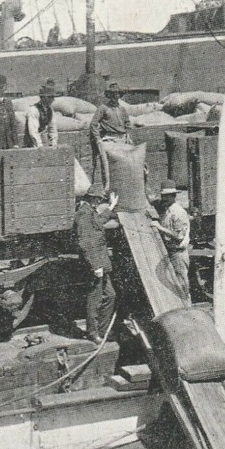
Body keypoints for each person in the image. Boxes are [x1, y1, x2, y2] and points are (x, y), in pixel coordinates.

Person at [73, 184, 119, 342]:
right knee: (95, 299)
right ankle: (93, 332)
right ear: (92, 199)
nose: (99, 203)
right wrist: (96, 267)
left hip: (100, 263)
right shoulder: (83, 215)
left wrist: (111, 206)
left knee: (110, 295)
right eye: (98, 200)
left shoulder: (89, 212)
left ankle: (103, 330)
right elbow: (85, 243)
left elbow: (98, 222)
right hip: (95, 265)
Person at [151, 180, 191, 301]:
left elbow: (179, 236)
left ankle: (186, 307)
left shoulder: (178, 212)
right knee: (173, 285)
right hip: (169, 252)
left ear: (173, 196)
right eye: (163, 196)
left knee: (181, 283)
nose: (164, 199)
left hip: (178, 253)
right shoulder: (166, 210)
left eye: (167, 196)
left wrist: (159, 227)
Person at [88, 82, 132, 190]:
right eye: (112, 94)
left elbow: (127, 123)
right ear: (109, 96)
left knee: (124, 166)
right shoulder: (103, 108)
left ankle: (123, 190)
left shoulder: (122, 109)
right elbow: (93, 124)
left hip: (122, 140)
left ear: (119, 96)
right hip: (109, 140)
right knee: (108, 167)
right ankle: (107, 190)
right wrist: (98, 139)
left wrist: (128, 135)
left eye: (116, 94)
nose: (114, 97)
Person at [25, 78, 59, 148]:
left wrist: (54, 143)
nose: (52, 100)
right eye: (50, 97)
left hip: (44, 140)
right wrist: (40, 146)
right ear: (43, 97)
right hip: (33, 143)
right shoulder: (34, 110)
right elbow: (33, 132)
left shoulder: (50, 110)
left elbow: (52, 128)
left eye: (53, 97)